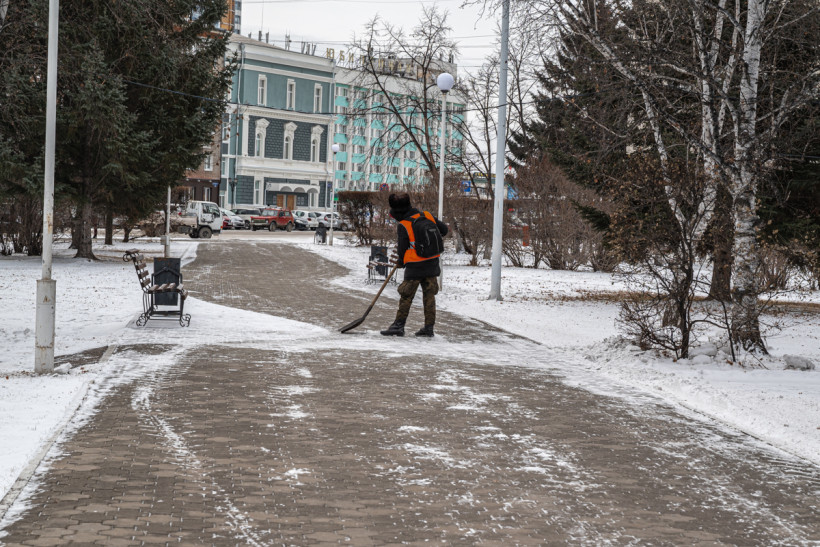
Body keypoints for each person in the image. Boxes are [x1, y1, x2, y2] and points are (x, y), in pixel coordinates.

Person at [381, 193, 448, 337]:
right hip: (432, 263)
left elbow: (402, 249)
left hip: (415, 266)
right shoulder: (427, 216)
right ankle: (429, 328)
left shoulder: (404, 225)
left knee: (406, 296)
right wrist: (428, 243)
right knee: (429, 297)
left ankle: (398, 326)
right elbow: (444, 230)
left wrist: (401, 262)